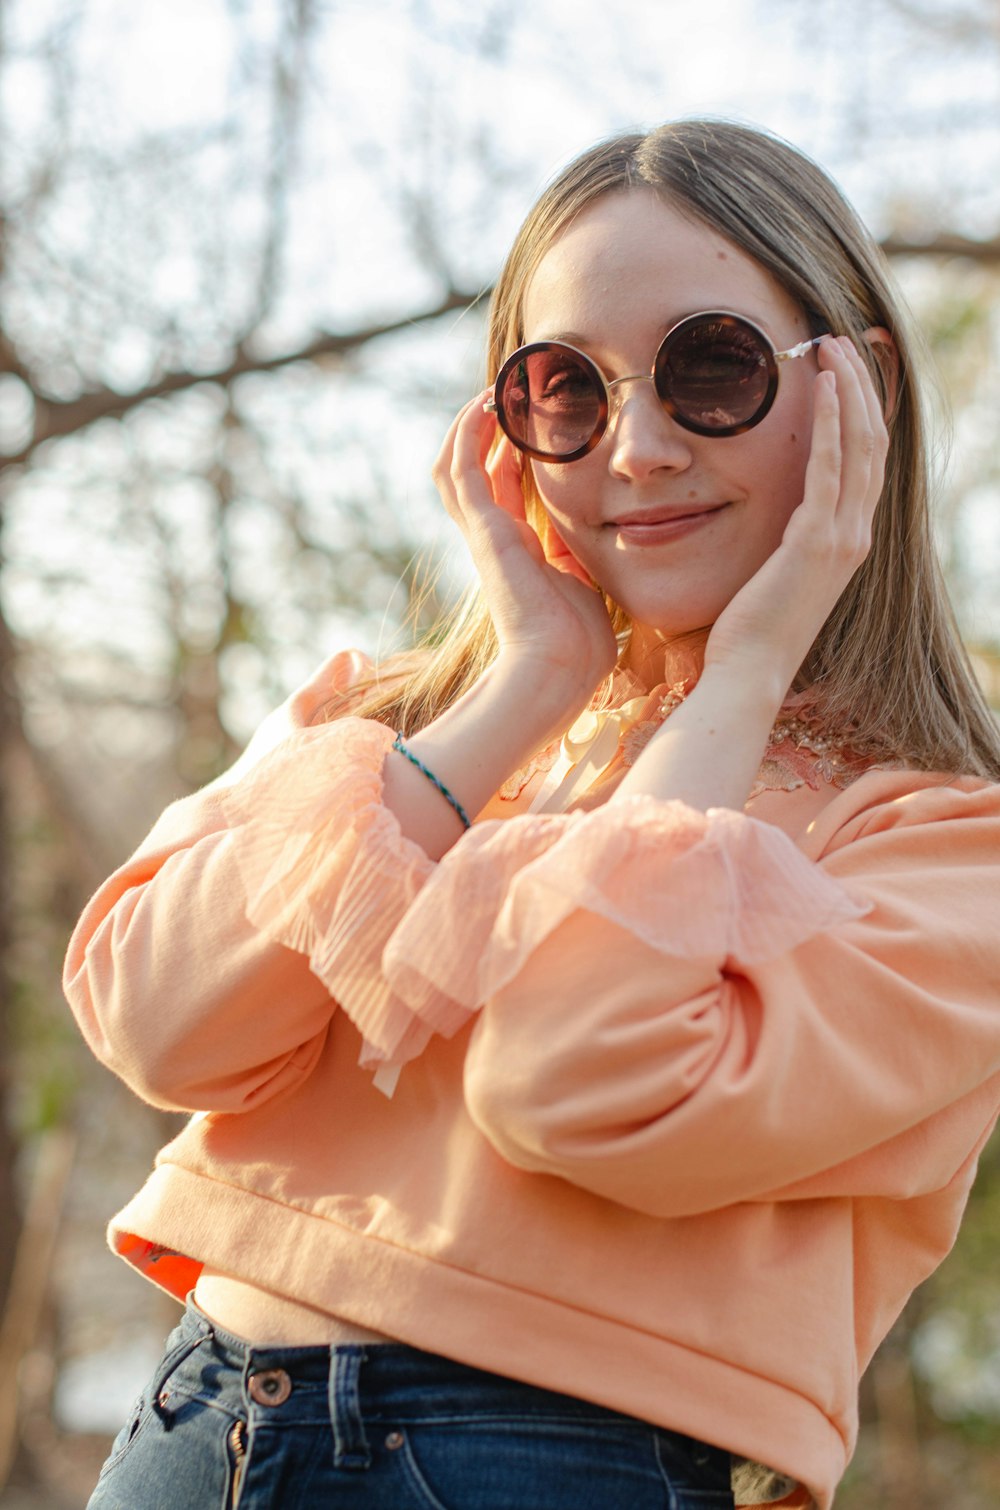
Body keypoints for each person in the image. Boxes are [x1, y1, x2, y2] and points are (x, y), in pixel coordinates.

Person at [64, 118, 1000, 1510]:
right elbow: (158, 1016)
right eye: (568, 389)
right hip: (200, 1420)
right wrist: (527, 682)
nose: (637, 448)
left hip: (556, 1462)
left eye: (711, 369)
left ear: (859, 384)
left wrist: (741, 677)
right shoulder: (383, 725)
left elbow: (570, 1079)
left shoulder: (939, 847)